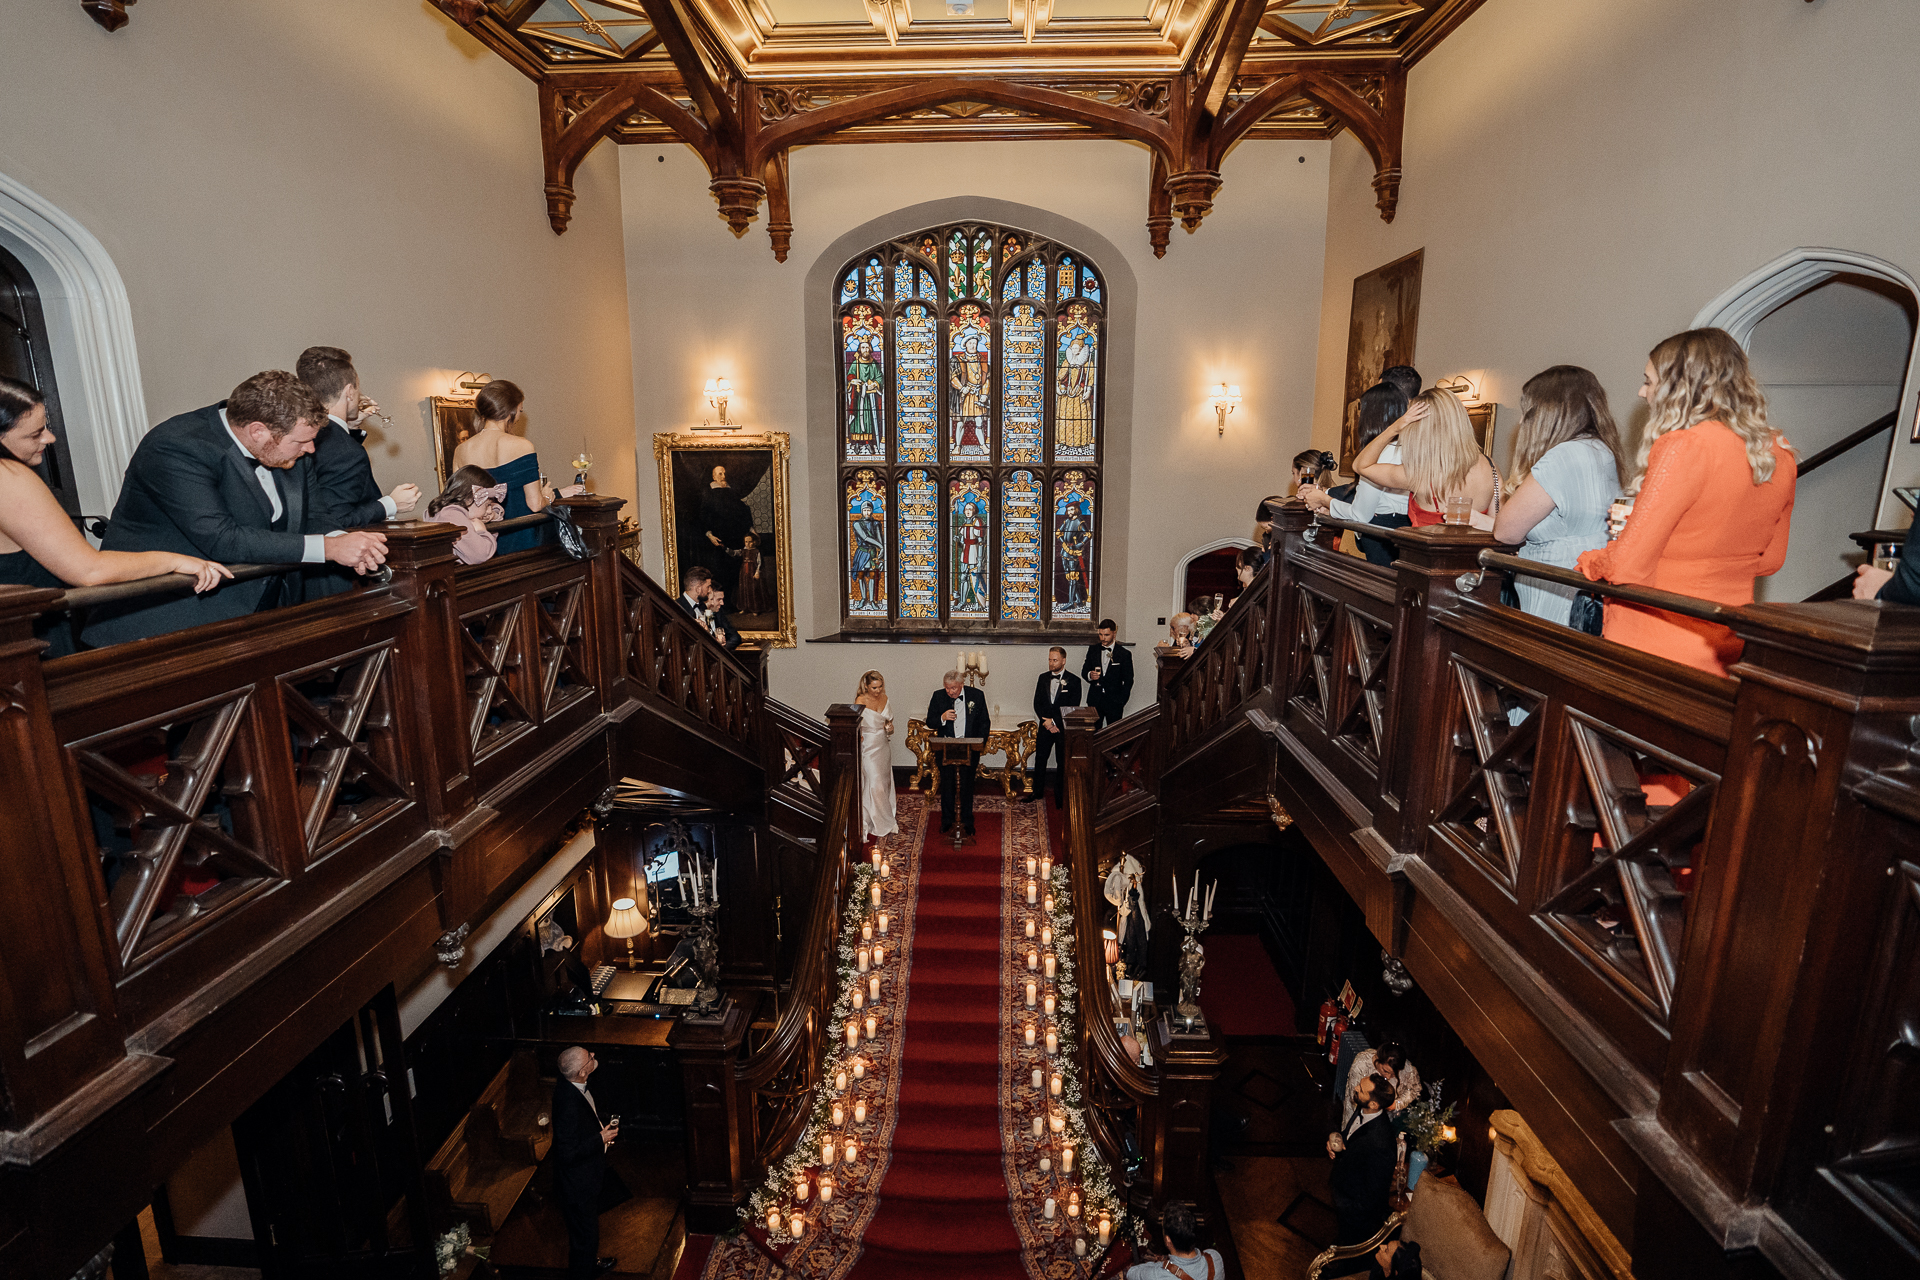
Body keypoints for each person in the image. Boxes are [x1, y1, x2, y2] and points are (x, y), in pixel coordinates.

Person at [83, 371, 388, 647]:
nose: (310, 450)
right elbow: (223, 539)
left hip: (259, 620)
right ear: (258, 431)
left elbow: (313, 515)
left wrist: (349, 544)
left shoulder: (295, 447)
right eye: (302, 442)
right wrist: (330, 548)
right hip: (164, 627)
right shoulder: (175, 447)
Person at [1577, 329, 1796, 676]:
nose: (1641, 392)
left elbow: (1626, 568)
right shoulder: (1780, 455)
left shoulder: (1685, 446)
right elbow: (1771, 560)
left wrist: (1592, 560)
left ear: (1679, 386)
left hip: (1658, 633)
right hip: (1727, 638)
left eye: (1649, 382)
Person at [0, 376, 230, 655]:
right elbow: (89, 571)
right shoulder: (9, 478)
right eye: (35, 434)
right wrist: (175, 560)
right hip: (21, 646)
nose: (49, 438)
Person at [1492, 366, 1623, 627]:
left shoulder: (1562, 457)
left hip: (1556, 589)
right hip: (1583, 583)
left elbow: (1505, 531)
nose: (1521, 422)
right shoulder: (1600, 449)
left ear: (1549, 413)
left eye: (1527, 412)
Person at [294, 346, 420, 528]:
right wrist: (390, 505)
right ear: (350, 392)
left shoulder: (300, 435)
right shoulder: (346, 452)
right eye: (357, 388)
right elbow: (334, 521)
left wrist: (349, 428)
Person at [450, 380, 581, 555]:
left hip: (483, 543)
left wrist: (559, 492)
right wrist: (549, 498)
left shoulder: (460, 450)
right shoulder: (522, 445)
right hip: (522, 538)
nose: (519, 417)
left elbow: (459, 507)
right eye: (520, 411)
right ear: (510, 411)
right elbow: (535, 504)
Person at [1352, 389, 1500, 530]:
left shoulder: (1419, 475)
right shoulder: (1490, 466)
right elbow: (1497, 525)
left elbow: (1361, 466)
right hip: (1476, 555)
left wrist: (1395, 428)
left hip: (1426, 556)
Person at [1302, 381, 1411, 565]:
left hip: (1382, 540)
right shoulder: (1407, 450)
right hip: (1405, 533)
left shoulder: (1377, 455)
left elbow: (1361, 515)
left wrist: (1324, 500)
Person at [551, 1046, 618, 1278]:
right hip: (578, 1185)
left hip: (586, 1177)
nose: (593, 1055)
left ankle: (590, 1263)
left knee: (588, 1234)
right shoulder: (569, 1104)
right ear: (582, 1072)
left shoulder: (570, 1085)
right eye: (589, 1057)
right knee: (585, 1237)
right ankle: (584, 1272)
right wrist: (601, 1138)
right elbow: (567, 1154)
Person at [1327, 1074, 1399, 1257]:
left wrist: (1348, 1209)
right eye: (1359, 1084)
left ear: (1374, 1105)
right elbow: (1350, 1137)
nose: (1356, 1088)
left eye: (1361, 1089)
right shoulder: (1363, 1109)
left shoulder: (1381, 1143)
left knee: (1349, 1252)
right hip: (1343, 1192)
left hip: (1356, 1212)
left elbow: (1373, 1193)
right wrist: (1336, 1141)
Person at [926, 670, 990, 835]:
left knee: (967, 785)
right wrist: (942, 717)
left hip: (969, 747)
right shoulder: (938, 696)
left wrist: (979, 744)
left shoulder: (977, 695)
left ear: (962, 684)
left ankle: (968, 821)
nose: (950, 691)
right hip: (946, 747)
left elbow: (984, 722)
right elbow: (930, 721)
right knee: (947, 785)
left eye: (953, 688)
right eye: (947, 688)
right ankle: (947, 820)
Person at [1028, 646, 1081, 807]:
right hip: (1045, 726)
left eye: (1055, 660)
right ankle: (1037, 792)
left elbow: (1073, 706)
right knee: (1040, 759)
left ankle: (1060, 796)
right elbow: (1037, 702)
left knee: (1062, 761)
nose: (1051, 663)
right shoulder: (1043, 678)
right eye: (1050, 659)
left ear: (1063, 661)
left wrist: (1055, 722)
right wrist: (1046, 722)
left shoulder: (1074, 681)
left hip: (1061, 728)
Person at [424, 465, 504, 566]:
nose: (489, 511)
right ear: (470, 499)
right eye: (487, 505)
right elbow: (480, 555)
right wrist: (481, 531)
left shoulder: (453, 512)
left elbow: (494, 510)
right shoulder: (451, 516)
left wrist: (494, 515)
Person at [1125, 1201, 1223, 1280]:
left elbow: (1131, 1273)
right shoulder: (1214, 1258)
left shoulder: (1156, 1275)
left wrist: (1162, 1264)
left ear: (1168, 1240)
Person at [855, 670, 897, 841]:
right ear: (865, 686)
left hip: (883, 745)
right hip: (868, 747)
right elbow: (855, 723)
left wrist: (890, 728)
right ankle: (869, 822)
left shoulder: (885, 699)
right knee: (873, 784)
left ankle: (886, 817)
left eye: (880, 687)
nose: (878, 691)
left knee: (884, 782)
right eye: (874, 687)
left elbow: (888, 722)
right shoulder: (860, 701)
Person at [1341, 1040, 1421, 1128]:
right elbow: (1355, 1094)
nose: (1389, 1077)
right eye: (1385, 1071)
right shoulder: (1362, 1064)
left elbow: (1414, 1090)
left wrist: (1397, 1104)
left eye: (1394, 1074)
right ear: (1377, 1059)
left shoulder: (1408, 1070)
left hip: (1386, 1119)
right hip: (1358, 1114)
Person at [1082, 618, 1133, 727]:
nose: (1103, 638)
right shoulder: (1093, 650)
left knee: (1114, 735)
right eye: (1100, 635)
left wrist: (1121, 701)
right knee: (1094, 735)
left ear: (1114, 634)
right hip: (1095, 700)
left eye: (1106, 635)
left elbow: (1128, 680)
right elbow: (1084, 671)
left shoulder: (1124, 654)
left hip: (1115, 702)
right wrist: (1090, 675)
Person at [735, 530, 770, 614]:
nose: (747, 544)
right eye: (746, 542)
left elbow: (759, 563)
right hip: (744, 572)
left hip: (753, 571)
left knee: (753, 590)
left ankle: (755, 609)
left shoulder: (756, 551)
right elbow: (734, 553)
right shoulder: (743, 550)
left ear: (754, 542)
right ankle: (744, 607)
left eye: (750, 542)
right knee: (744, 589)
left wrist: (757, 572)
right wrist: (724, 548)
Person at [703, 587, 742, 652]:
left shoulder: (719, 613)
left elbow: (736, 637)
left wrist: (722, 648)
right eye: (719, 599)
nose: (722, 603)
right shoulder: (697, 613)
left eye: (722, 599)